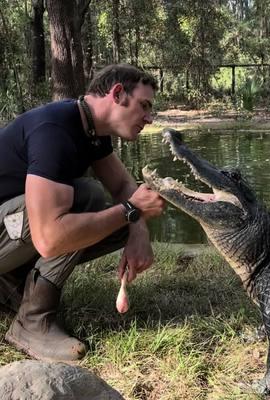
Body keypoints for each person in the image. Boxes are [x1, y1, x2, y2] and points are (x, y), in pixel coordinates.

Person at [0, 63, 164, 362]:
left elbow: (123, 185)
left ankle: (11, 287)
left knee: (101, 206)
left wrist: (137, 229)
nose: (149, 118)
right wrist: (131, 210)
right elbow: (49, 239)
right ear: (117, 94)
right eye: (144, 105)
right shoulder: (54, 129)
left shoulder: (90, 130)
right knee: (84, 199)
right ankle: (32, 322)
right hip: (11, 232)